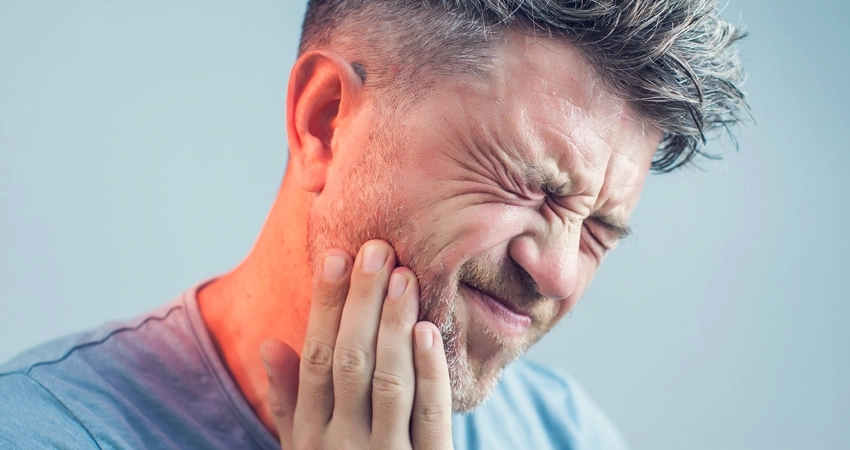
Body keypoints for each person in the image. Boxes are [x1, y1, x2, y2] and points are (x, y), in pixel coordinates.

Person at [0, 1, 748, 448]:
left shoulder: (566, 434)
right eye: (531, 185)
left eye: (600, 232)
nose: (557, 271)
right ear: (324, 122)